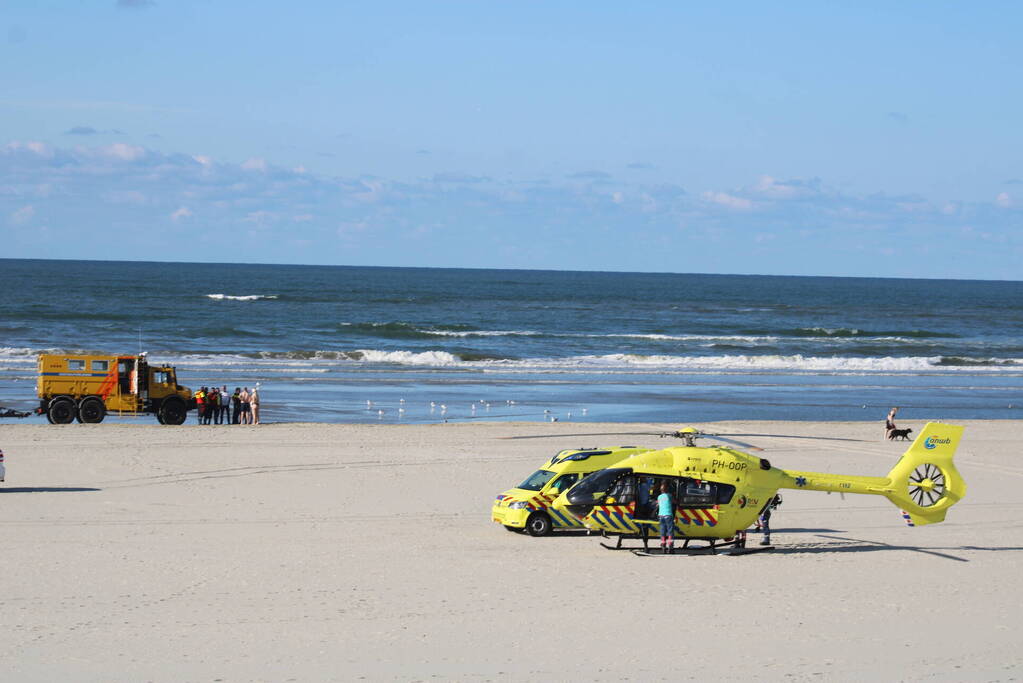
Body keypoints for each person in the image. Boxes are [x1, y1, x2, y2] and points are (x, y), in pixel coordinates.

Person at [657, 481, 675, 554]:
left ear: (661, 490)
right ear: (667, 489)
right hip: (668, 515)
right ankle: (670, 546)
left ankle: (663, 546)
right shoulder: (669, 495)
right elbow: (674, 502)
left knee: (663, 531)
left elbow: (658, 504)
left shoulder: (659, 497)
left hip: (661, 516)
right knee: (670, 531)